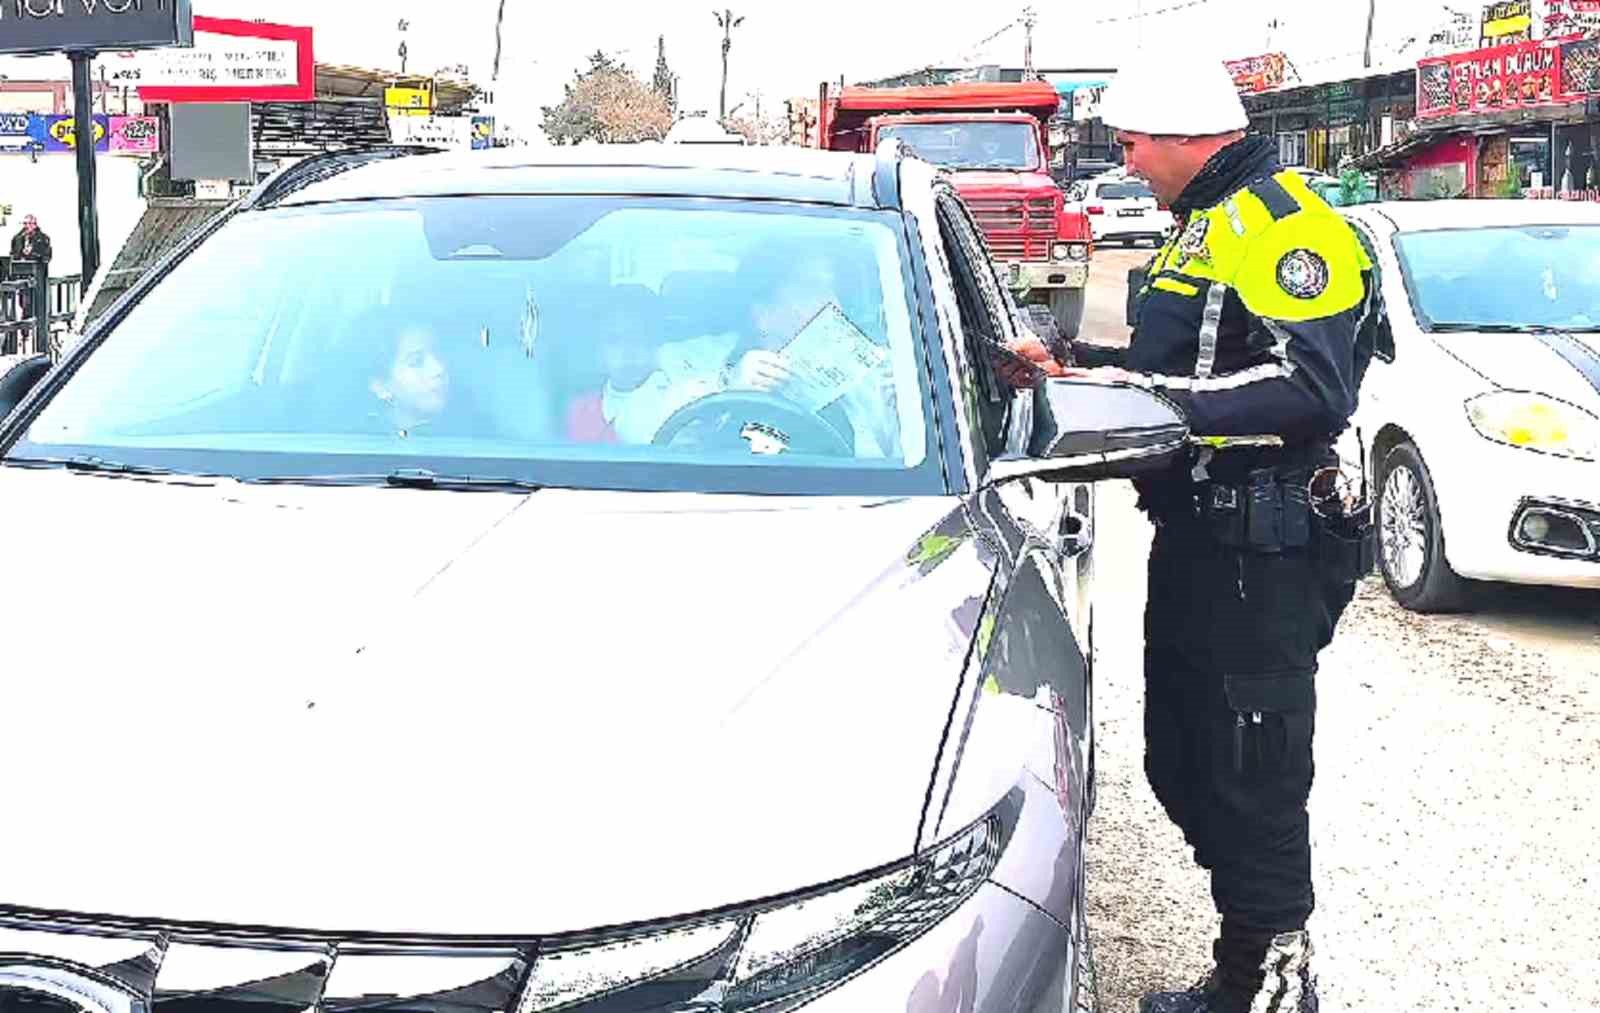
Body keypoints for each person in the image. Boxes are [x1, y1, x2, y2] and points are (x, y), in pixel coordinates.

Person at [1015, 46, 1384, 1013]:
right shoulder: (1201, 225)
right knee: (1182, 761)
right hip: (1197, 541)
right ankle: (1247, 956)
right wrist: (1072, 361)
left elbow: (1314, 389)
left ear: (1184, 134)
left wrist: (1150, 401)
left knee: (1254, 776)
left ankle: (1266, 985)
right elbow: (1181, 359)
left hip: (1263, 550)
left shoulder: (1284, 225)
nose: (1127, 161)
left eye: (1134, 143)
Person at [9, 214, 52, 326]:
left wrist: (33, 254)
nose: (27, 226)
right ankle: (25, 332)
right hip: (22, 277)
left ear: (35, 225)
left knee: (38, 305)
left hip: (37, 277)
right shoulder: (17, 238)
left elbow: (46, 256)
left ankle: (37, 329)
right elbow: (13, 255)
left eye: (29, 224)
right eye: (25, 224)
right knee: (24, 304)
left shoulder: (43, 238)